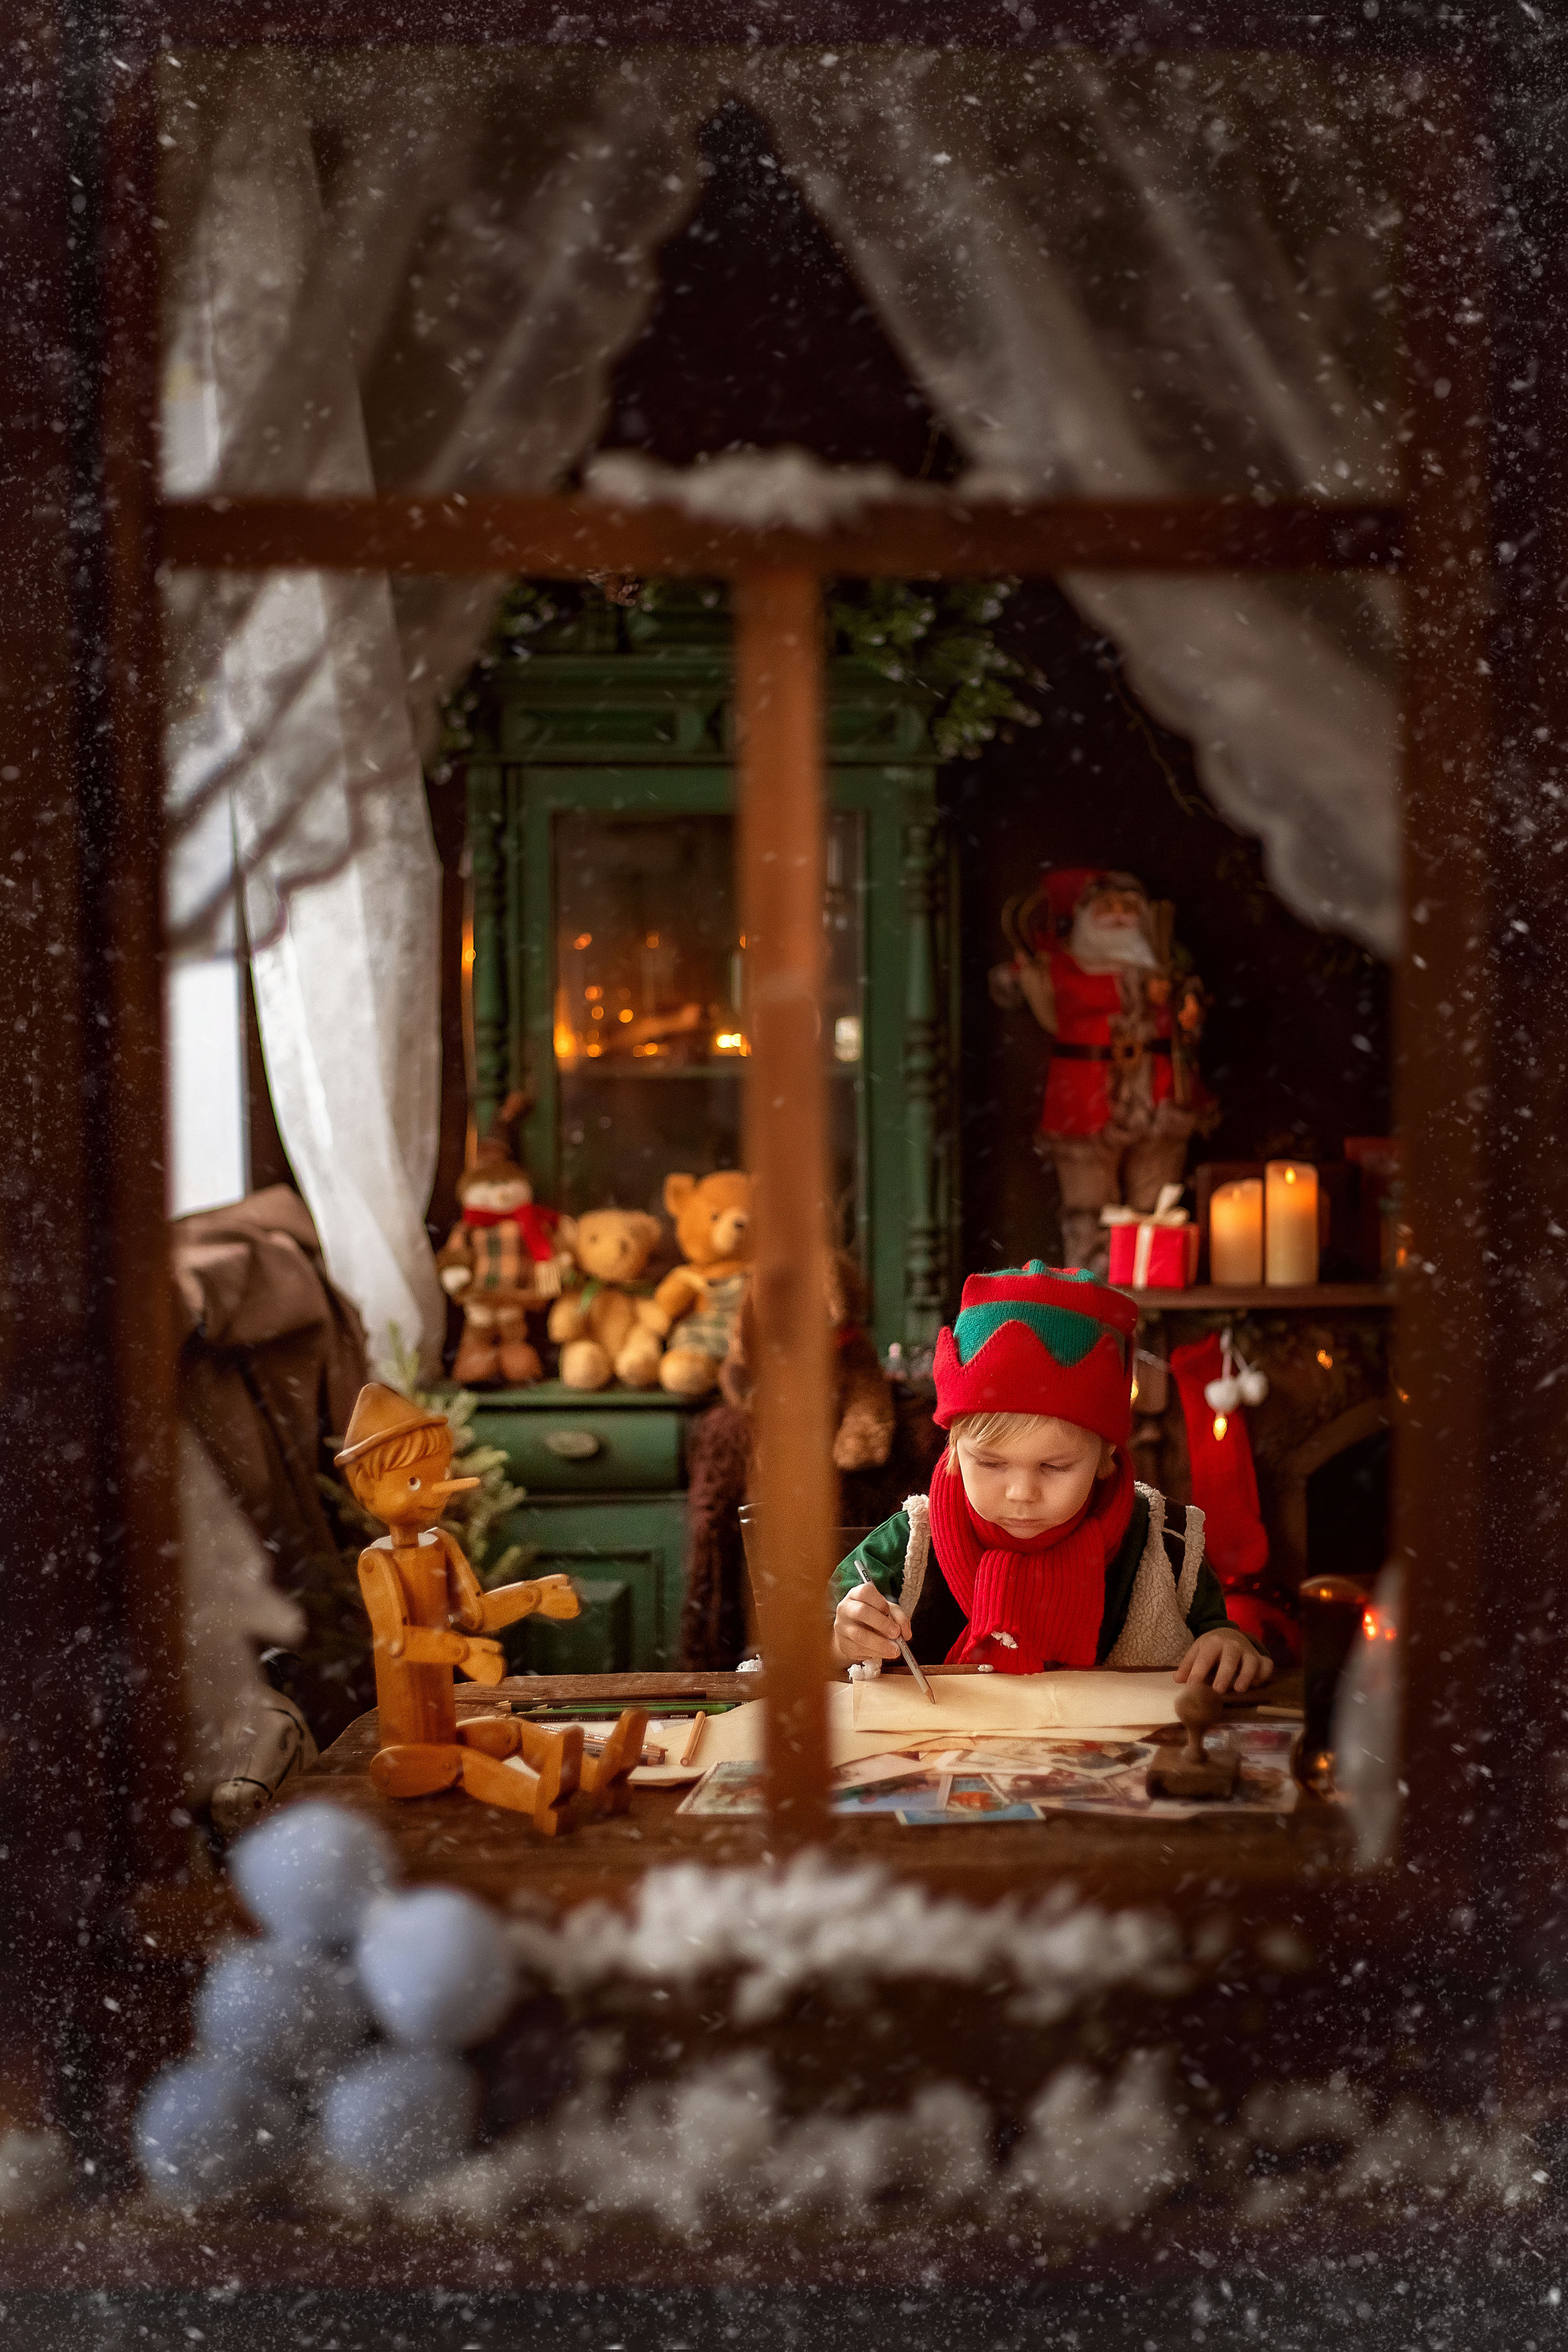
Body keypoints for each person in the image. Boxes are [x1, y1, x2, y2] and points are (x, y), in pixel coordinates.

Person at [831, 1262, 1270, 1692]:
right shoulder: (907, 1547)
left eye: (1055, 1467)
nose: (1022, 1494)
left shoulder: (1165, 1546)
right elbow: (810, 1644)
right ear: (953, 1452)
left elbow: (1220, 1635)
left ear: (1106, 1452)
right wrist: (840, 1638)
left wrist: (1228, 1642)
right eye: (989, 1463)